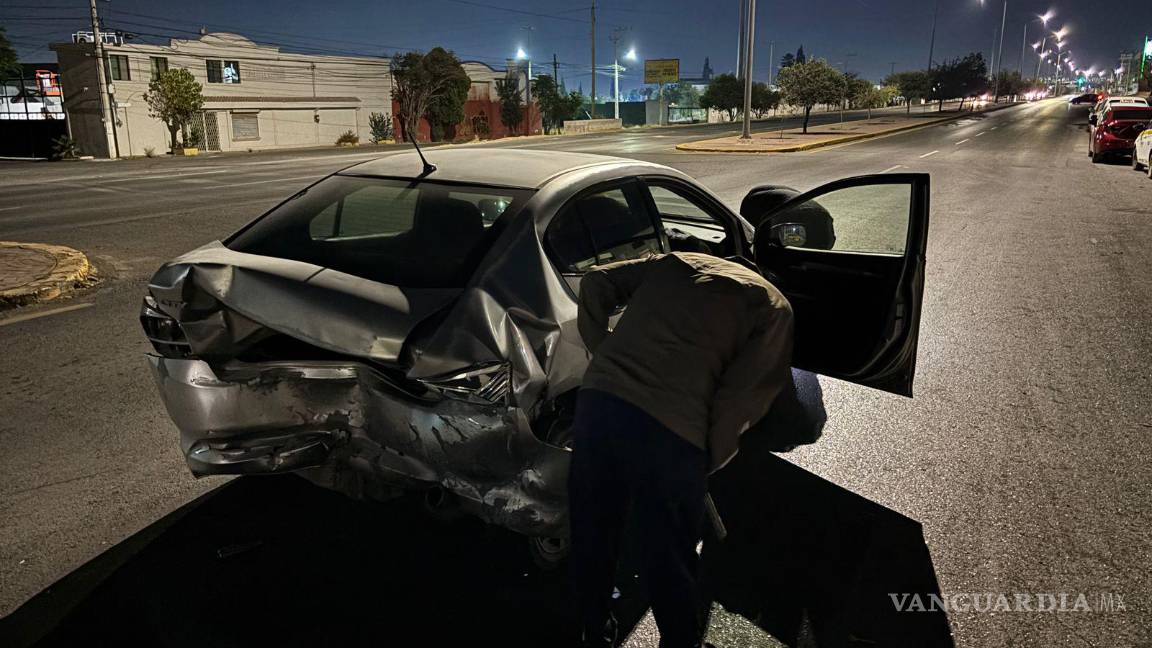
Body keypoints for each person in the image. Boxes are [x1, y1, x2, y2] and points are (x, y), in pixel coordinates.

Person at [569, 251, 798, 648]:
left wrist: (602, 352)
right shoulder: (772, 304)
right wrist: (706, 459)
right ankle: (680, 641)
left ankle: (593, 628)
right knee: (667, 554)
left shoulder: (676, 261)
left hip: (598, 405)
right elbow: (742, 399)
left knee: (594, 530)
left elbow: (594, 282)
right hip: (672, 431)